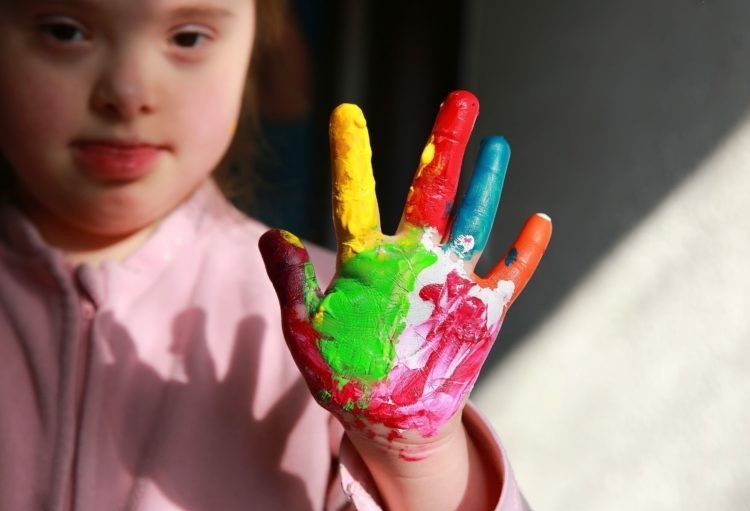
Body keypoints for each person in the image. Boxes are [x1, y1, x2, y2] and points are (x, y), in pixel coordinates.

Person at [0, 0, 552, 510]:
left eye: (188, 37)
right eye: (64, 31)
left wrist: (416, 451)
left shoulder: (351, 321)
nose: (126, 90)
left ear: (258, 44)